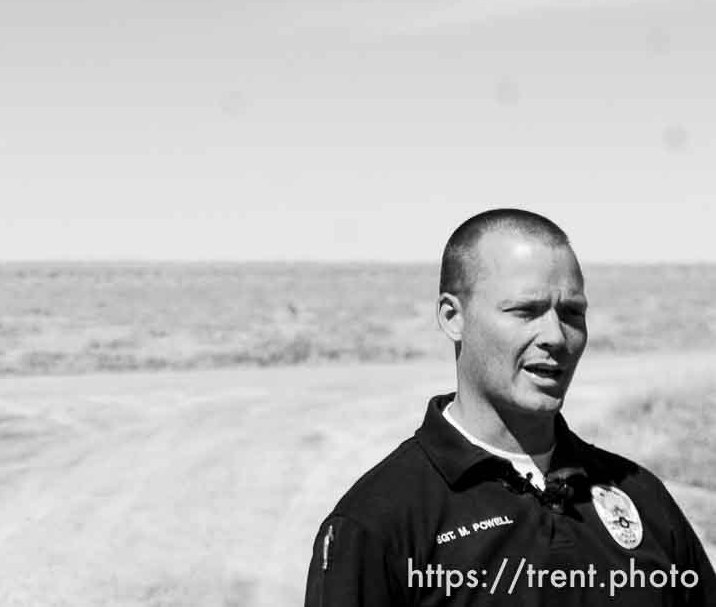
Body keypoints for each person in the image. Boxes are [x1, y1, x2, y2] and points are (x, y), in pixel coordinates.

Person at [304, 208, 715, 605]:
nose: (556, 336)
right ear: (453, 317)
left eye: (572, 313)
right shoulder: (380, 522)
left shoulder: (640, 496)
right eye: (525, 311)